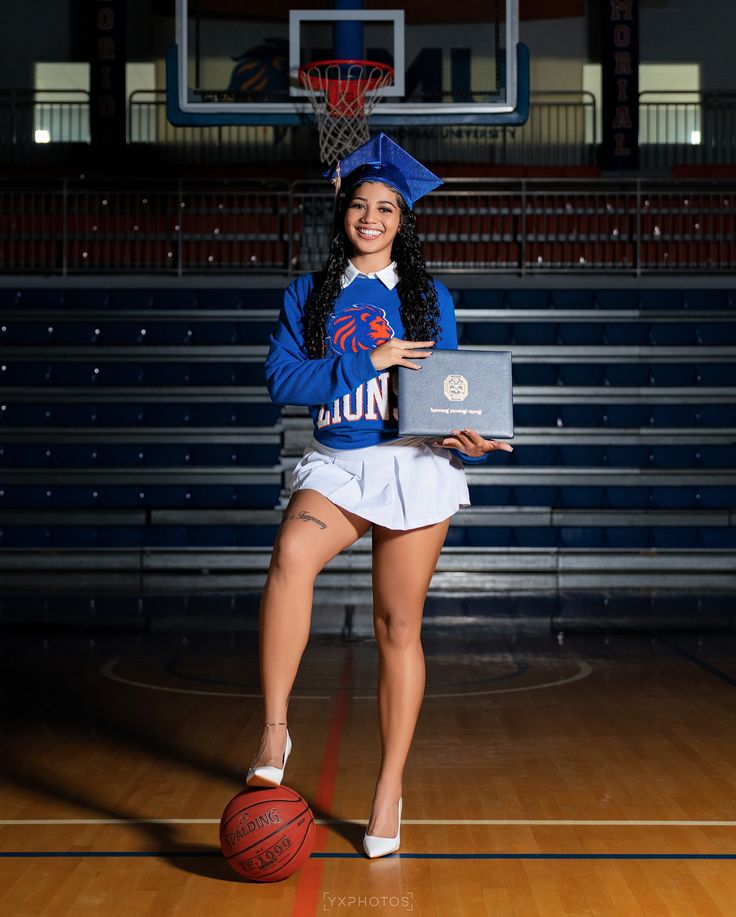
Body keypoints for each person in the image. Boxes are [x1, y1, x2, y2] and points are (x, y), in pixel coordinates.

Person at [246, 133, 513, 858]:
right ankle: (275, 726)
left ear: (402, 220)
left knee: (398, 627)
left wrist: (470, 436)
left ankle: (389, 785)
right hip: (338, 461)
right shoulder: (308, 293)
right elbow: (283, 382)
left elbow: (448, 395)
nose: (371, 216)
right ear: (343, 214)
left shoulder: (429, 298)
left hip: (410, 463)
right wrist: (372, 357)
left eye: (385, 208)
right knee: (292, 551)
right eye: (360, 204)